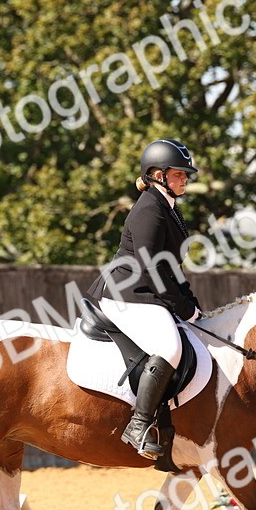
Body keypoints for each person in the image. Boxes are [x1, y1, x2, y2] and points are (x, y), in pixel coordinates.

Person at [87, 138, 202, 458]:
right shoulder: (149, 209)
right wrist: (180, 307)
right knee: (170, 347)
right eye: (179, 173)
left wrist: (191, 303)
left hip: (147, 292)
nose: (185, 179)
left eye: (185, 174)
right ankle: (138, 424)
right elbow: (152, 267)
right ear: (157, 174)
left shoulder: (168, 206)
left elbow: (171, 265)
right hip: (127, 294)